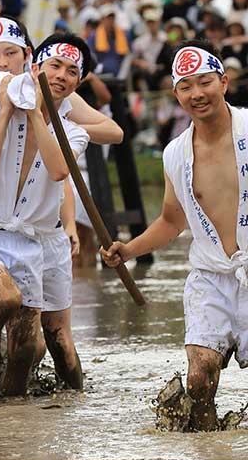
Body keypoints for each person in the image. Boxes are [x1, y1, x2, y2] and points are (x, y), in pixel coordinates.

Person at [102, 41, 248, 430]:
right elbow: (172, 219)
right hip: (210, 276)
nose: (197, 94)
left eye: (205, 83)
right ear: (176, 93)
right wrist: (128, 248)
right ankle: (205, 458)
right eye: (187, 86)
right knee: (199, 378)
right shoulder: (175, 153)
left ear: (224, 82)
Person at [0, 21, 90, 396]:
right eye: (54, 66)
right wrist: (9, 109)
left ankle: (11, 415)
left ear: (78, 83)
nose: (61, 75)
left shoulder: (74, 130)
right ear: (35, 67)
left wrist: (35, 113)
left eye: (72, 71)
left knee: (27, 347)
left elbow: (59, 170)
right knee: (6, 298)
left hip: (30, 242)